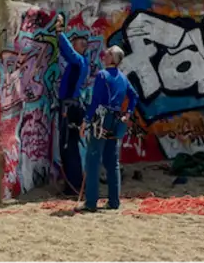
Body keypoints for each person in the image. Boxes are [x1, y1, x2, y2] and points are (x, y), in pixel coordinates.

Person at [81, 46, 139, 212]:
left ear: (112, 58)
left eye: (107, 53)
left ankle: (91, 202)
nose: (103, 55)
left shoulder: (102, 75)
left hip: (101, 119)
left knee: (93, 160)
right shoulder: (122, 77)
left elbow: (96, 100)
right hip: (117, 119)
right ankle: (114, 201)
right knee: (112, 162)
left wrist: (86, 120)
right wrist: (128, 114)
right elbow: (134, 96)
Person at [41, 13, 91, 196]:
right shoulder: (83, 63)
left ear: (80, 48)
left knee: (68, 147)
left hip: (69, 108)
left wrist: (60, 32)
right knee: (70, 147)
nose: (73, 45)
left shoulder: (78, 61)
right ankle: (74, 184)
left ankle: (73, 186)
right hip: (73, 105)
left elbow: (68, 51)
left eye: (75, 43)